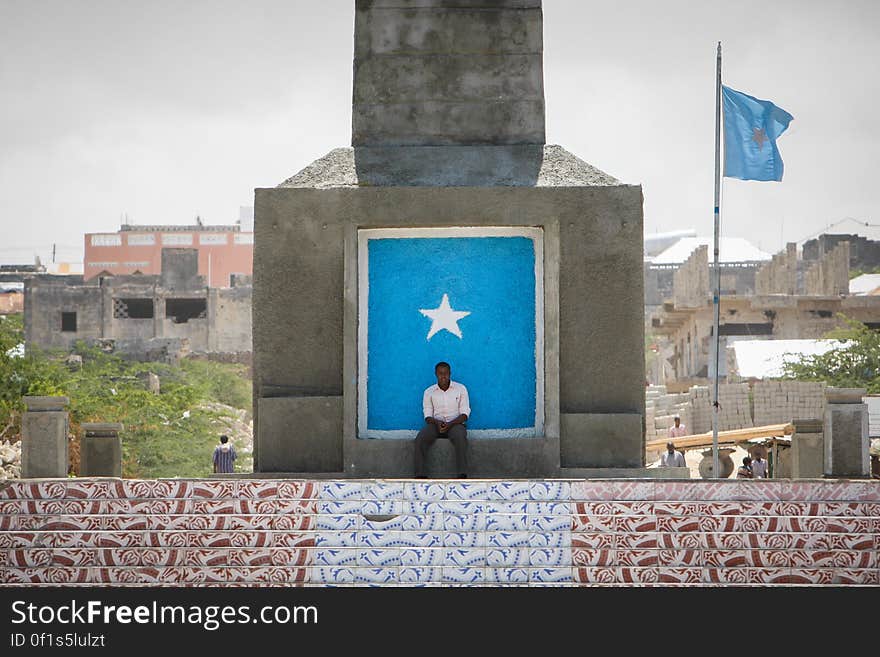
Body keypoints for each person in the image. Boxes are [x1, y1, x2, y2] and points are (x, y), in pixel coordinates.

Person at [414, 361, 470, 479]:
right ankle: (420, 475)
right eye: (440, 373)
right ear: (436, 374)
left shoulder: (460, 389)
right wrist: (437, 423)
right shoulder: (429, 392)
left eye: (446, 373)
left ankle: (462, 474)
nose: (443, 376)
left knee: (460, 436)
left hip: (455, 423)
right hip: (435, 424)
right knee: (420, 438)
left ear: (450, 374)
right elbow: (428, 416)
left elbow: (465, 414)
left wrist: (449, 424)